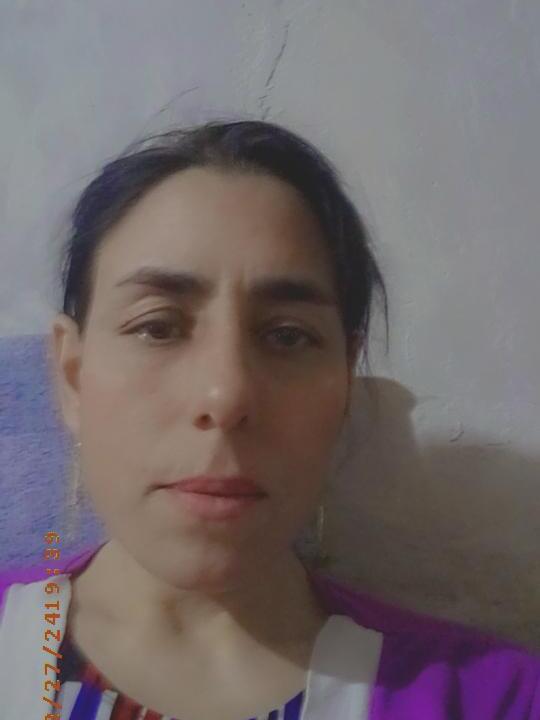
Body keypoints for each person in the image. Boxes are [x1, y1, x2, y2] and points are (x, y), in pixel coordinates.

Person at [0, 119, 538, 720]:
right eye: (157, 326)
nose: (226, 393)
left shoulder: (496, 700)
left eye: (287, 335)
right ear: (72, 376)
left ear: (344, 386)